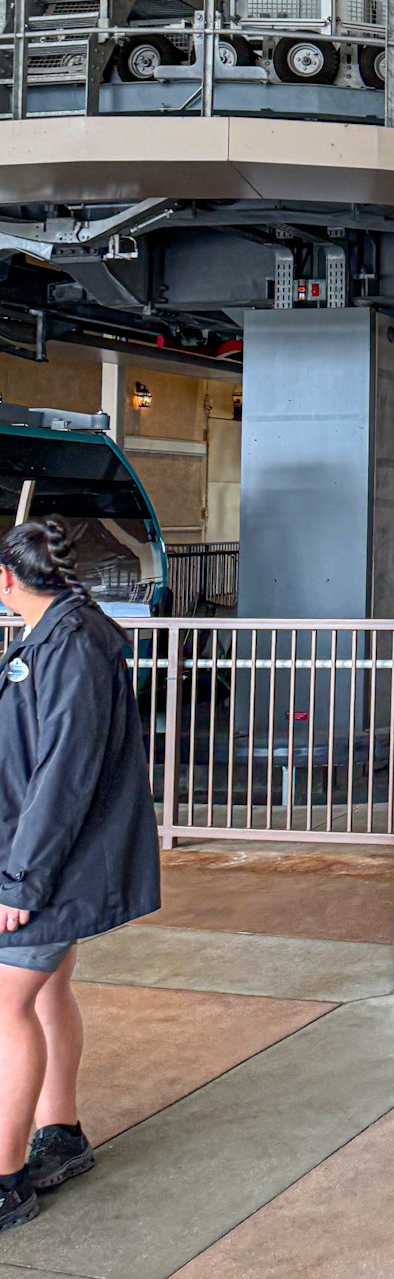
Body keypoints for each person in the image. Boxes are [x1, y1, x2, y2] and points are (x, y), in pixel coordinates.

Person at [0, 519, 161, 1234]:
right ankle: (58, 1134)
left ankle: (6, 1178)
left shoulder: (64, 645)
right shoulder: (70, 634)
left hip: (46, 866)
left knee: (6, 1008)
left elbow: (61, 777)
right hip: (55, 860)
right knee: (44, 995)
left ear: (8, 579)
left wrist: (19, 883)